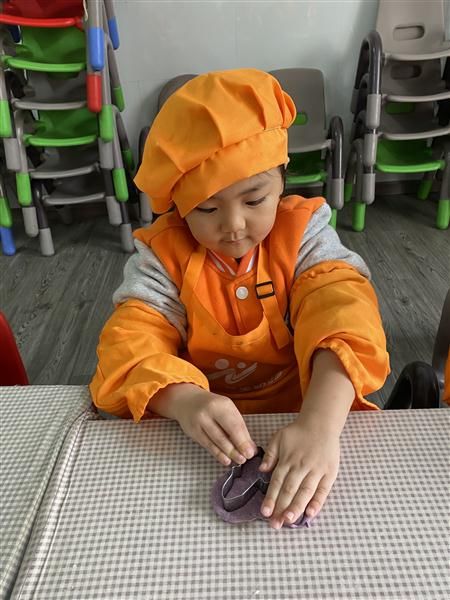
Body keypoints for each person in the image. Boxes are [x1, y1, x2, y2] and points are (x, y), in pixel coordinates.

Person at [90, 69, 390, 529]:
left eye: (254, 200)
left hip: (305, 409)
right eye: (207, 208)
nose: (233, 225)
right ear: (177, 205)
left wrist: (319, 425)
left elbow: (343, 308)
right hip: (199, 430)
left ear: (283, 182)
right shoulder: (163, 257)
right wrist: (183, 400)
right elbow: (130, 342)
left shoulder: (303, 234)